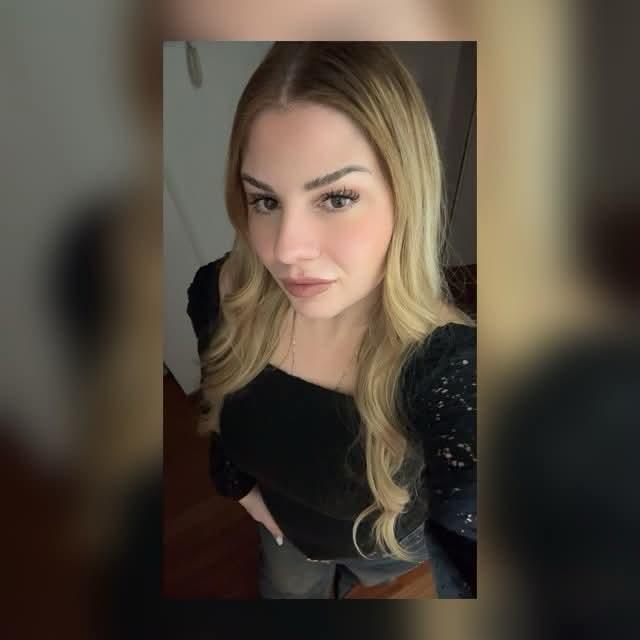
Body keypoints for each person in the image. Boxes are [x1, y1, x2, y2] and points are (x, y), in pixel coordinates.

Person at [186, 42, 476, 598]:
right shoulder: (222, 295)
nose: (286, 250)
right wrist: (244, 494)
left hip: (388, 551)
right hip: (281, 536)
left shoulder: (451, 372)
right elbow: (218, 412)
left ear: (405, 193)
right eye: (265, 201)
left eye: (337, 197)